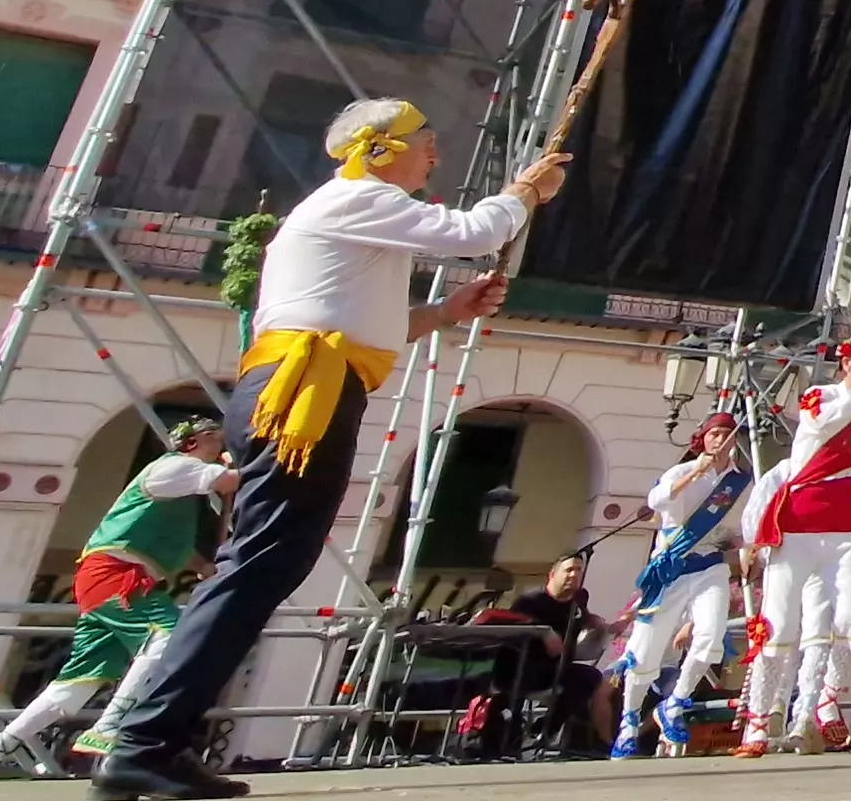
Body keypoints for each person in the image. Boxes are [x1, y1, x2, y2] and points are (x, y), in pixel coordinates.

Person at [93, 99, 543, 799]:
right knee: (258, 567)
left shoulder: (349, 214)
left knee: (268, 564)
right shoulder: (359, 197)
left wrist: (446, 313)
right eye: (426, 142)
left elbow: (364, 323)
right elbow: (473, 232)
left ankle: (155, 739)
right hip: (306, 393)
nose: (434, 155)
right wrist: (525, 191)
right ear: (381, 149)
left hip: (305, 386)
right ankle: (146, 739)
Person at [0, 417, 236, 780]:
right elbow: (229, 481)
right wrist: (238, 465)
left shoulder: (181, 490)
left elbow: (171, 544)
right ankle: (108, 727)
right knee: (170, 636)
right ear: (188, 443)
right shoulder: (177, 467)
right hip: (116, 575)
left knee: (77, 683)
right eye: (211, 437)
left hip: (108, 576)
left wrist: (203, 565)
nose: (217, 442)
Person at [734, 330, 851, 755]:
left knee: (847, 620)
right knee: (779, 623)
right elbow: (820, 424)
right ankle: (757, 723)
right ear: (847, 363)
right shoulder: (820, 396)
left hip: (844, 529)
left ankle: (820, 704)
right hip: (797, 528)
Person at [610, 414, 750, 757]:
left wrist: (744, 549)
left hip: (709, 567)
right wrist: (695, 472)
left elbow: (739, 531)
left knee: (710, 636)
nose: (719, 440)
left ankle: (676, 702)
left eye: (725, 434)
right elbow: (656, 501)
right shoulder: (679, 472)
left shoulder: (739, 484)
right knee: (645, 653)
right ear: (701, 439)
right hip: (671, 569)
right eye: (713, 434)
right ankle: (629, 722)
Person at [483, 557, 609, 752]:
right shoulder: (530, 601)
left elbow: (582, 620)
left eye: (578, 570)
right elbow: (512, 623)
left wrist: (597, 623)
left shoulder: (577, 605)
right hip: (520, 670)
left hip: (554, 671)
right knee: (520, 679)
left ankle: (543, 732)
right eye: (568, 570)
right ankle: (503, 743)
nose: (574, 575)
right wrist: (543, 631)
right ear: (552, 575)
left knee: (588, 678)